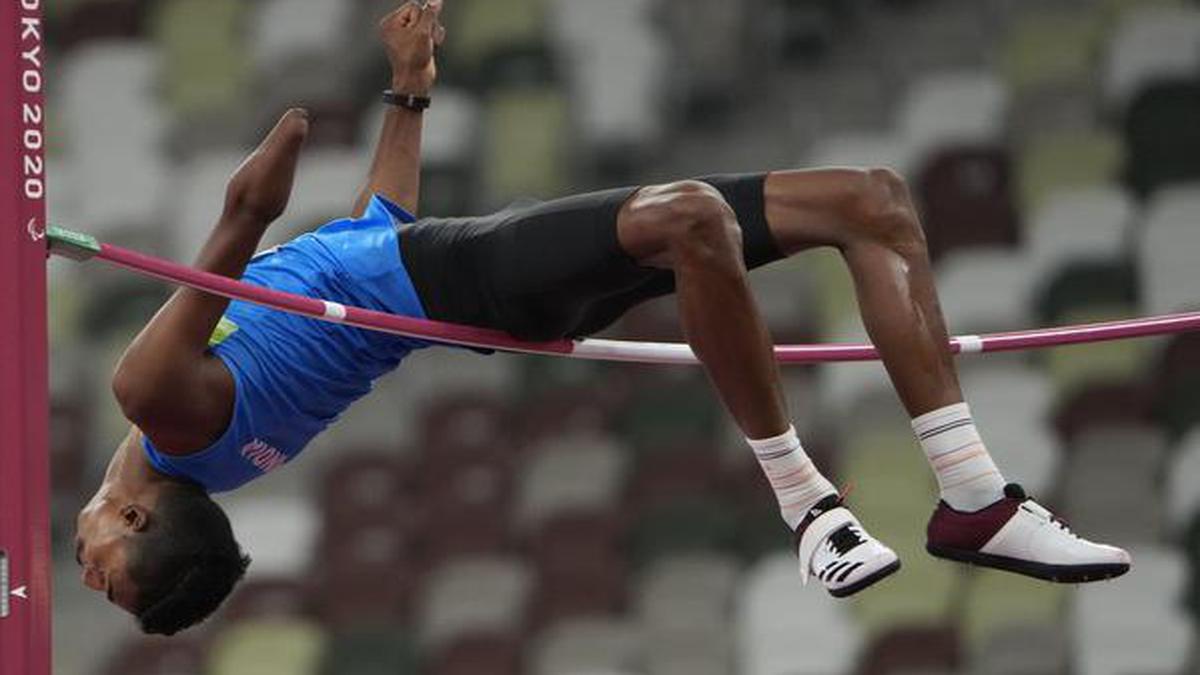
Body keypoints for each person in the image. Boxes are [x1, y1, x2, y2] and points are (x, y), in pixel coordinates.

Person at [74, 0, 1131, 637]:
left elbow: (376, 230)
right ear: (136, 518)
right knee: (692, 217)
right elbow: (233, 237)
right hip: (469, 280)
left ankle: (975, 498)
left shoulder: (215, 440)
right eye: (105, 577)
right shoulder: (160, 401)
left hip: (449, 275)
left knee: (874, 202)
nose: (84, 566)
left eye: (100, 584)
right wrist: (286, 137)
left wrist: (408, 94)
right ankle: (809, 507)